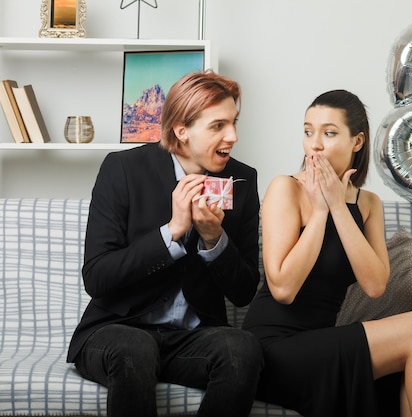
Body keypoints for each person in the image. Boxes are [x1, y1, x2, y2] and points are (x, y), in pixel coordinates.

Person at [242, 90, 412, 417]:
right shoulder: (285, 189)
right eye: (308, 131)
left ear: (357, 142)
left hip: (323, 343)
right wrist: (319, 212)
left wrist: (339, 205)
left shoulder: (368, 204)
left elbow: (374, 285)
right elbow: (283, 290)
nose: (314, 144)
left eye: (329, 133)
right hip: (274, 350)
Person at [67, 70, 264, 417]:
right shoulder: (124, 169)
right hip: (117, 330)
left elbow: (245, 290)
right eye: (218, 125)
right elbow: (96, 276)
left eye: (234, 123)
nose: (232, 136)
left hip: (191, 340)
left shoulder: (242, 181)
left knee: (243, 349)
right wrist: (172, 231)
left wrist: (214, 239)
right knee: (135, 347)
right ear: (181, 130)